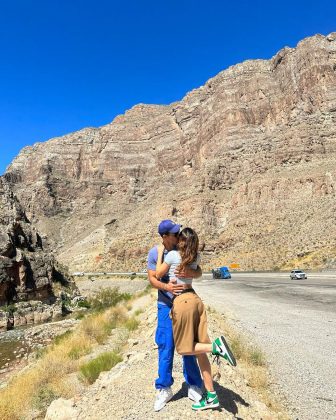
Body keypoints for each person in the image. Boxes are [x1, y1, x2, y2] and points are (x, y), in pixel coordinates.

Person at [156, 227, 236, 411]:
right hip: (196, 300)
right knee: (200, 353)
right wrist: (195, 272)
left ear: (181, 241)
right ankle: (212, 397)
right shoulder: (196, 258)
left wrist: (161, 254)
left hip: (182, 302)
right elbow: (197, 271)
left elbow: (159, 274)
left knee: (184, 349)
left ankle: (216, 347)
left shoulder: (173, 256)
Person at [147, 220, 204, 412]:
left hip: (185, 303)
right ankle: (164, 388)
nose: (178, 234)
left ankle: (194, 384)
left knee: (188, 345)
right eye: (174, 233)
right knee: (166, 346)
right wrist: (168, 287)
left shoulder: (183, 253)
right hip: (165, 305)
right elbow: (152, 279)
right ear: (165, 237)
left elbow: (199, 271)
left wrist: (192, 272)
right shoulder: (156, 253)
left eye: (178, 231)